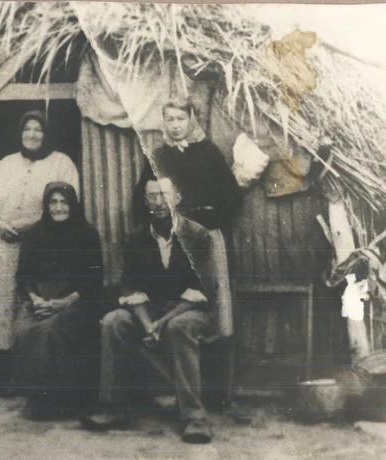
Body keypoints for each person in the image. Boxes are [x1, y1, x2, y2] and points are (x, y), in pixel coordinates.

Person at [81, 174, 220, 444]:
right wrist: (147, 323)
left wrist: (162, 322)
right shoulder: (136, 237)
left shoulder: (197, 235)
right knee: (113, 321)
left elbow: (200, 291)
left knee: (179, 327)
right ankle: (113, 407)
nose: (159, 203)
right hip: (149, 311)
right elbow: (130, 287)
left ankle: (195, 417)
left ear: (177, 199)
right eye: (152, 197)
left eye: (164, 196)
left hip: (188, 310)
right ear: (146, 202)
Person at [144, 96, 242, 344]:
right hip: (173, 234)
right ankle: (167, 334)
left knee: (211, 291)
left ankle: (217, 346)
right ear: (163, 122)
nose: (175, 125)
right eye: (170, 119)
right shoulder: (158, 156)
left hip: (205, 233)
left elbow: (232, 195)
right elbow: (143, 195)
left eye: (180, 118)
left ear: (190, 119)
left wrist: (209, 221)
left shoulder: (208, 151)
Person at [0, 110, 79, 353]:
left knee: (31, 302)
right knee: (1, 304)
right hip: (3, 244)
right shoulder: (5, 163)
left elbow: (70, 200)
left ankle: (29, 364)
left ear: (46, 134)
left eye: (38, 130)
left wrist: (32, 224)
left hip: (42, 244)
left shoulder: (61, 162)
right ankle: (2, 363)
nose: (32, 135)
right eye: (27, 129)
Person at [13, 181, 103, 419]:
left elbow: (95, 279)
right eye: (53, 202)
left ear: (72, 205)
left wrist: (65, 302)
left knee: (51, 329)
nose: (58, 207)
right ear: (46, 204)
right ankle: (38, 398)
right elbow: (23, 276)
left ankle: (65, 399)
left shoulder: (87, 234)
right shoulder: (34, 234)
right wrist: (35, 299)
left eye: (64, 202)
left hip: (76, 302)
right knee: (24, 329)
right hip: (40, 300)